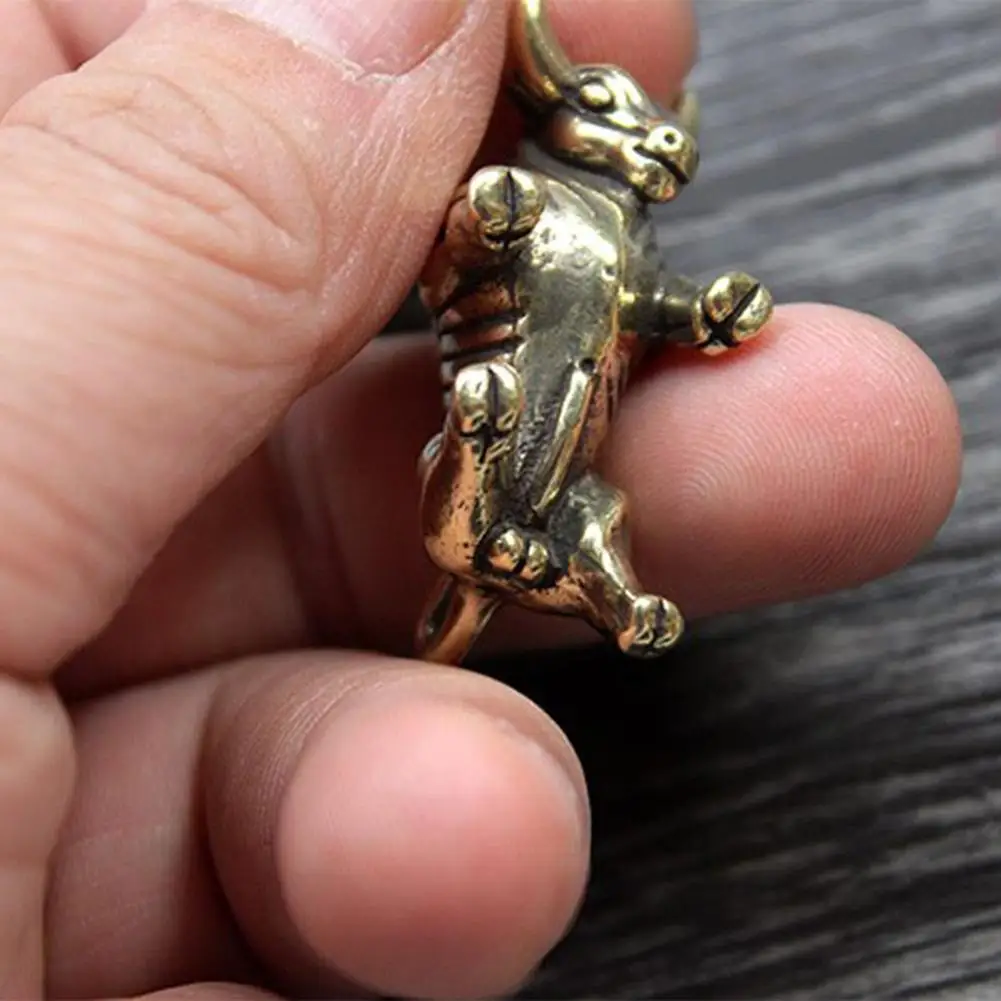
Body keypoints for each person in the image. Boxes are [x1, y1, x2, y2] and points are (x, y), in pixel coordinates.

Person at [0, 0, 962, 998]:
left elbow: (652, 305)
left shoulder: (624, 242)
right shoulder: (523, 200)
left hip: (563, 465)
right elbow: (455, 249)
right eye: (617, 114)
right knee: (482, 517)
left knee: (588, 520)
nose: (655, 139)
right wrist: (485, 213)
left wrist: (705, 312)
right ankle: (495, 470)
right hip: (482, 453)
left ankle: (603, 592)